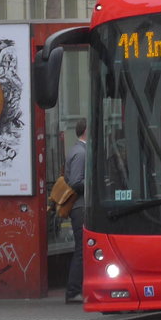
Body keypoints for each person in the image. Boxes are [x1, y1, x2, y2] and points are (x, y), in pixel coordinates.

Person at [64, 118, 87, 304]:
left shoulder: (78, 150)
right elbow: (76, 182)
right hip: (80, 207)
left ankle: (77, 289)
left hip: (79, 207)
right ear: (86, 132)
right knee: (81, 249)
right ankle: (73, 291)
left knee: (83, 249)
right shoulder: (80, 153)